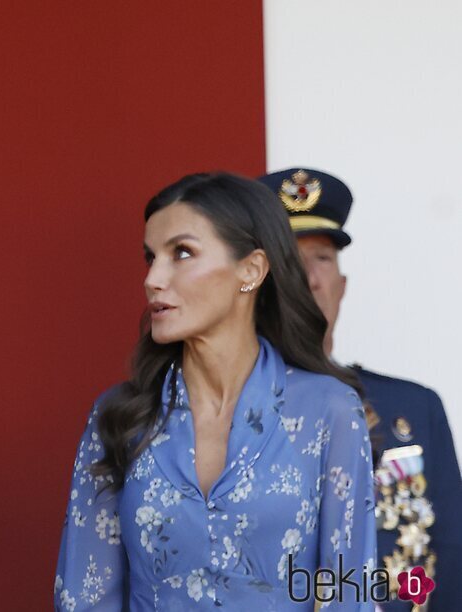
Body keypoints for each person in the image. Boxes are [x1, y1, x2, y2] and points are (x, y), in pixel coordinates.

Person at [56, 173, 377, 610]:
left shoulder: (329, 411)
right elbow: (84, 596)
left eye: (181, 253)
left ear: (251, 270)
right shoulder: (120, 416)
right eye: (151, 257)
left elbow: (349, 591)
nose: (153, 278)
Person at [259, 168, 462, 610]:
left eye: (323, 258)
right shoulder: (225, 409)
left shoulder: (412, 408)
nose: (309, 278)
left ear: (342, 287)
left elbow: (452, 570)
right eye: (289, 260)